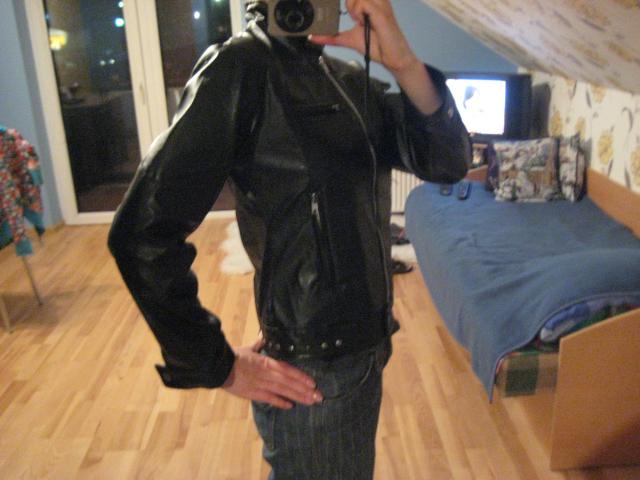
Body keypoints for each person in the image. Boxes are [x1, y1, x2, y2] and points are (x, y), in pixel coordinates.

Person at [108, 0, 470, 478]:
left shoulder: (345, 78)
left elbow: (447, 162)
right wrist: (217, 363)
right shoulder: (242, 66)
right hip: (314, 370)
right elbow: (141, 231)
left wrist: (403, 63)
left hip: (367, 346)